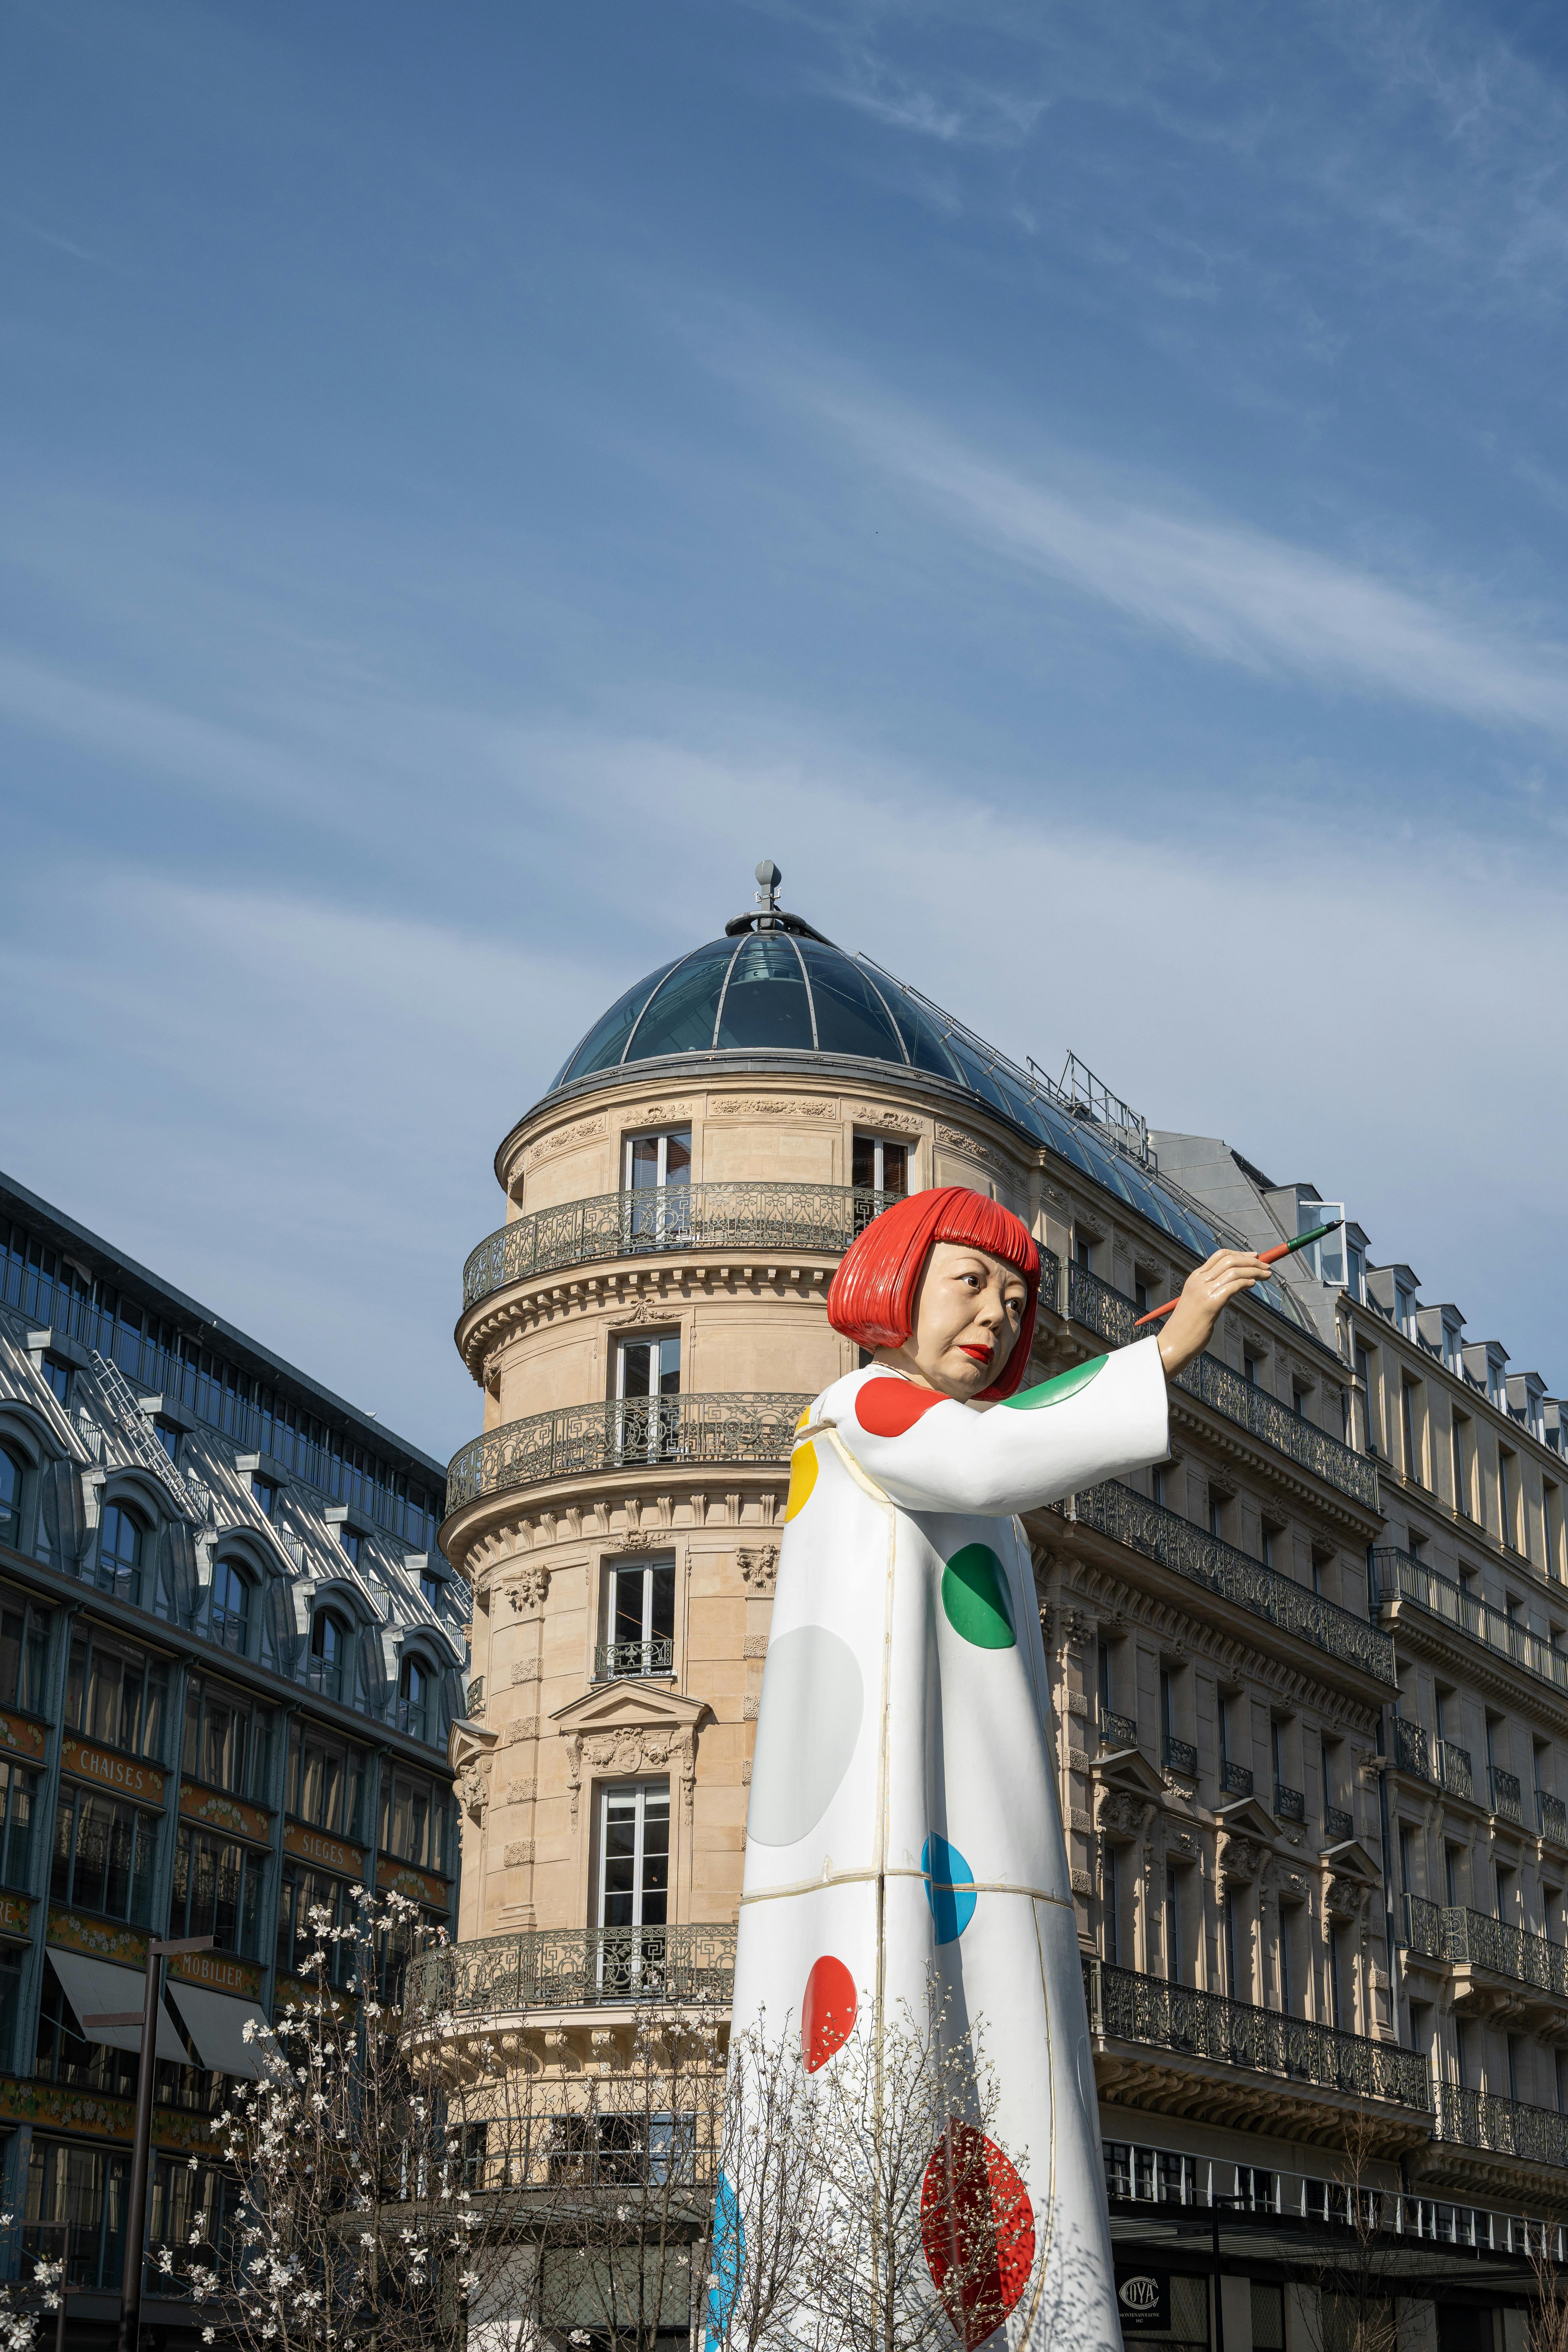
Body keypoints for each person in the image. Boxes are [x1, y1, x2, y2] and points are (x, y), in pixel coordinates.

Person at [722, 1185, 1272, 2352]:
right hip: (888, 1843)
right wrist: (1162, 1355)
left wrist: (1138, 1368)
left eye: (1014, 1298)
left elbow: (994, 1454)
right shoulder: (865, 1409)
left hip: (963, 1846)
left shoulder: (946, 1453)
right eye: (970, 1283)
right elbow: (982, 1460)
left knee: (989, 2085)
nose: (994, 1314)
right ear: (899, 1281)